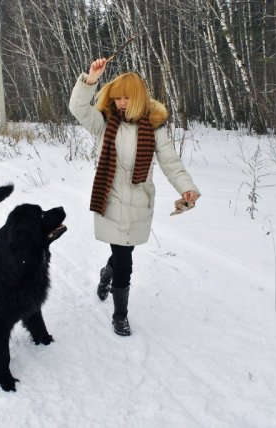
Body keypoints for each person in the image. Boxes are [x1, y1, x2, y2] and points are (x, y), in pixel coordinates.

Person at [69, 58, 201, 337]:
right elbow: (78, 108)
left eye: (127, 97)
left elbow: (170, 162)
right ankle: (120, 316)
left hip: (140, 201)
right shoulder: (104, 123)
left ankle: (107, 272)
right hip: (111, 199)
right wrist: (91, 79)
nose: (121, 103)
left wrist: (186, 187)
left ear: (139, 97)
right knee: (125, 258)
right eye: (117, 97)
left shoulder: (154, 127)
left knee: (124, 251)